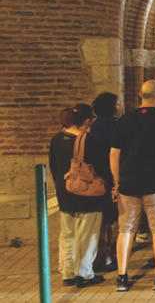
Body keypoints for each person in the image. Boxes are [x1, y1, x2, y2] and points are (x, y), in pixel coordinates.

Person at [111, 80, 155, 291]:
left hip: (128, 182)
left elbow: (114, 153)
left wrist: (116, 181)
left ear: (139, 96)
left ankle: (122, 278)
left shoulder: (125, 120)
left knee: (126, 230)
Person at [50, 104, 108, 288]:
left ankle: (67, 272)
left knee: (67, 233)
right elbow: (100, 166)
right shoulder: (88, 140)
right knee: (87, 234)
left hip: (64, 189)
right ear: (82, 121)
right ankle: (84, 273)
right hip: (85, 192)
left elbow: (53, 166)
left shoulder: (57, 139)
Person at [90, 92, 119, 271]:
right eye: (116, 104)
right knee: (109, 217)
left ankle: (104, 253)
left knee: (103, 218)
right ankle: (107, 254)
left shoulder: (95, 126)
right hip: (110, 173)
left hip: (99, 174)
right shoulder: (114, 126)